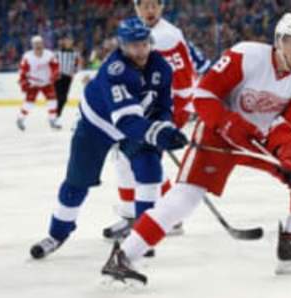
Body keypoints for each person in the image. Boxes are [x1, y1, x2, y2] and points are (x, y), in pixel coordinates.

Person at [101, 13, 291, 285]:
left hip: (257, 141)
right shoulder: (246, 56)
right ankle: (124, 257)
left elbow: (289, 130)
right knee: (186, 196)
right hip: (217, 136)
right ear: (278, 41)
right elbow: (204, 94)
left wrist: (287, 154)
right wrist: (226, 123)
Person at [29, 17, 187, 260]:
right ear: (123, 46)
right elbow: (125, 121)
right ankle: (57, 235)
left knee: (150, 170)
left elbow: (163, 105)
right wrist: (159, 134)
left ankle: (141, 236)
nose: (140, 50)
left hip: (137, 125)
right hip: (98, 126)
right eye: (134, 45)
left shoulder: (162, 68)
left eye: (144, 43)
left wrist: (165, 125)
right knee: (77, 183)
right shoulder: (116, 70)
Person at [103, 0, 201, 240]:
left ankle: (155, 218)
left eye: (153, 6)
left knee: (132, 160)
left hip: (163, 111)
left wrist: (175, 116)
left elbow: (183, 78)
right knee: (130, 161)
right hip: (146, 110)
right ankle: (160, 217)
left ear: (162, 7)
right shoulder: (141, 31)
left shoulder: (166, 35)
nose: (149, 11)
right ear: (136, 8)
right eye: (144, 6)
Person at [16, 35, 60, 131]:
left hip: (47, 82)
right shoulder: (27, 56)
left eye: (39, 43)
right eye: (36, 44)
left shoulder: (49, 54)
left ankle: (52, 120)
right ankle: (20, 119)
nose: (38, 45)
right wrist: (23, 81)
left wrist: (54, 75)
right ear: (32, 45)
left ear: (43, 44)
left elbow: (55, 66)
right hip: (33, 83)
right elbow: (23, 70)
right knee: (29, 102)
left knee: (53, 101)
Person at [54, 35, 83, 123]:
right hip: (58, 77)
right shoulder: (57, 53)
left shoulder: (75, 53)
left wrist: (74, 72)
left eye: (70, 40)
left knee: (64, 98)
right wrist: (55, 73)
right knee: (59, 97)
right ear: (63, 42)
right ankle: (55, 116)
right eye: (66, 40)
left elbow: (79, 65)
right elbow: (52, 64)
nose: (68, 42)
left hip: (67, 78)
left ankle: (56, 115)